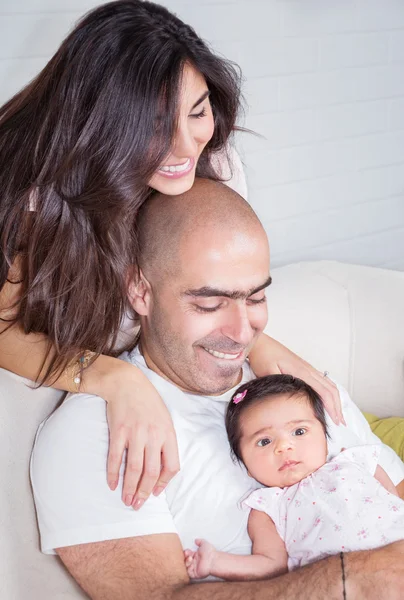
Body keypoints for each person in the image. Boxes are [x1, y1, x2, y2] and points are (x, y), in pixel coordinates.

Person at [0, 0, 342, 511]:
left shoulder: (213, 159)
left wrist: (258, 345)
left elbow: (214, 283)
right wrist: (114, 378)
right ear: (101, 124)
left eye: (198, 110)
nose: (187, 146)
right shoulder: (34, 199)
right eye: (156, 124)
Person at [31, 179, 404, 599]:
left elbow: (394, 490)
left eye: (257, 298)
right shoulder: (97, 433)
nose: (243, 332)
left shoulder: (298, 385)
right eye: (209, 304)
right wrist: (356, 579)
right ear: (140, 290)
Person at [184, 375, 404, 581]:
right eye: (264, 441)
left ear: (325, 439)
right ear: (247, 467)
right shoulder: (268, 507)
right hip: (346, 584)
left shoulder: (354, 461)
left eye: (299, 432)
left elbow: (393, 502)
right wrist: (216, 562)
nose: (284, 446)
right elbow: (272, 564)